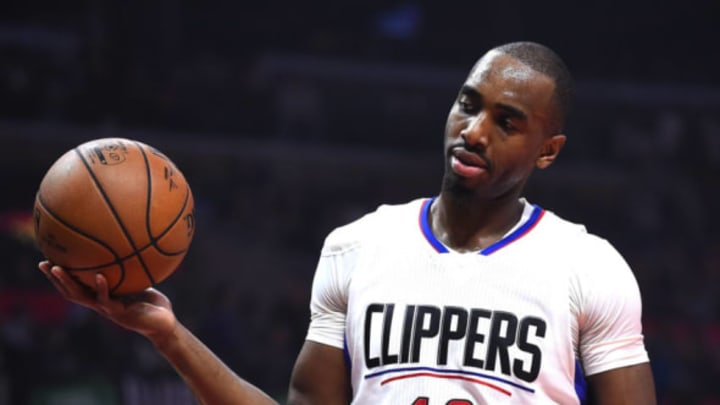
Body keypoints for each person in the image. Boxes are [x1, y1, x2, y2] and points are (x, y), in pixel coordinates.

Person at [39, 41, 657, 404]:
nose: (473, 130)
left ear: (548, 150)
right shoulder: (357, 246)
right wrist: (167, 334)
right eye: (468, 104)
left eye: (507, 120)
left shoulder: (588, 266)